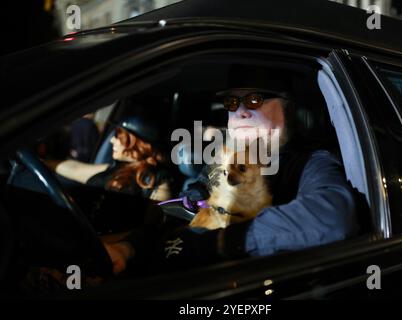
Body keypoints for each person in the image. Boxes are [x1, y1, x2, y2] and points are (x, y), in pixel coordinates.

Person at [105, 65, 359, 274]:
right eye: (232, 102)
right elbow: (185, 207)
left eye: (254, 100)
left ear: (286, 109)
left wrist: (220, 241)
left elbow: (332, 217)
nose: (240, 111)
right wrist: (129, 248)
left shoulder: (311, 162)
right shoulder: (220, 164)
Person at [48, 114, 173, 201]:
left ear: (139, 145)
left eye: (119, 136)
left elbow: (150, 229)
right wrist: (44, 163)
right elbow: (75, 169)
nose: (113, 140)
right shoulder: (117, 168)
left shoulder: (157, 182)